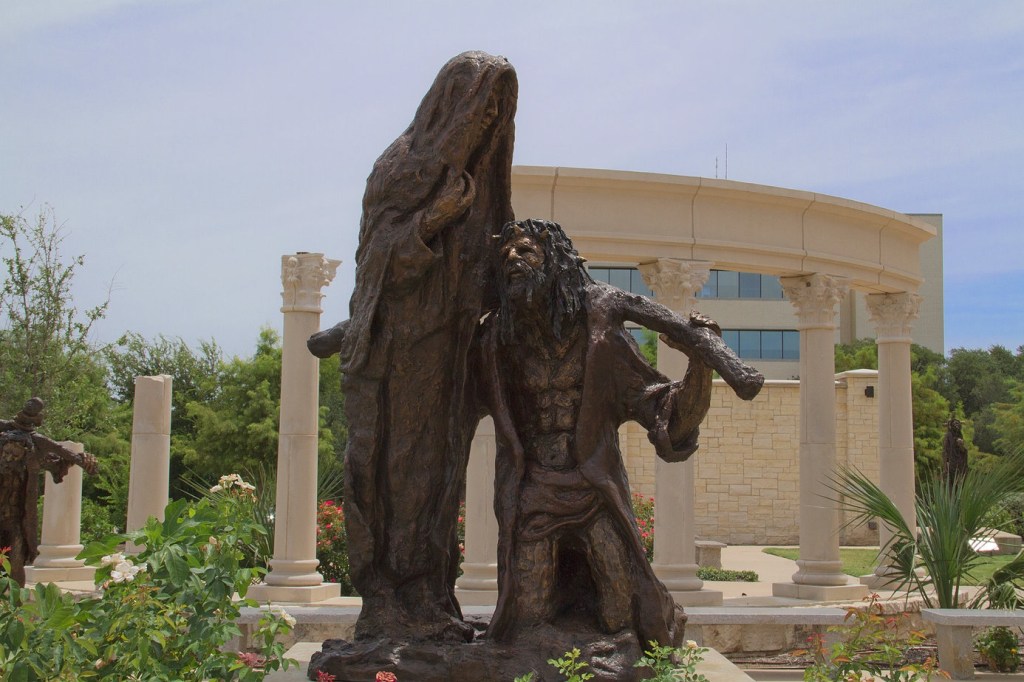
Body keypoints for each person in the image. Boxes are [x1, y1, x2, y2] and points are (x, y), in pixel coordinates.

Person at [308, 51, 518, 642]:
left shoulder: (482, 179)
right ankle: (390, 603)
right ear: (455, 104)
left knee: (439, 476)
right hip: (399, 350)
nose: (487, 123)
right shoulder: (402, 167)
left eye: (497, 114)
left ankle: (428, 600)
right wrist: (434, 220)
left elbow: (493, 259)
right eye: (481, 109)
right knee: (398, 473)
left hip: (450, 351)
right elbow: (375, 262)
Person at [476, 219, 761, 647]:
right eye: (507, 256)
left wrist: (701, 366)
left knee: (621, 615)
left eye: (526, 252)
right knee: (527, 619)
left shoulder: (601, 334)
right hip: (531, 495)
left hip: (594, 496)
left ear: (554, 261)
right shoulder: (497, 338)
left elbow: (667, 414)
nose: (513, 260)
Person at [0, 398, 97, 586]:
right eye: (6, 453)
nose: (8, 457)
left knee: (16, 563)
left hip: (13, 519)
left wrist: (83, 460)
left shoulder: (32, 460)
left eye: (15, 454)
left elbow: (60, 463)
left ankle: (14, 611)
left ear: (25, 456)